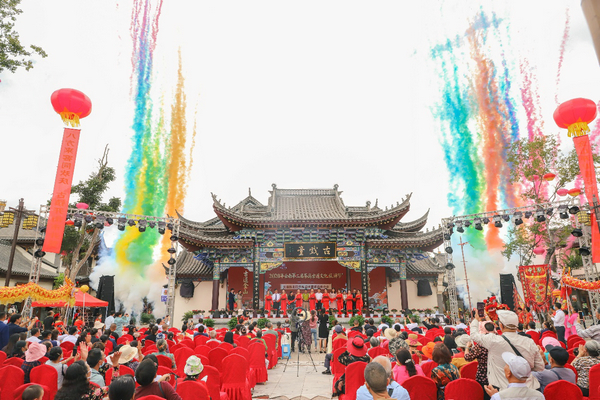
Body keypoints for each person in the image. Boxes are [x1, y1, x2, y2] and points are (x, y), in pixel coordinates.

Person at [469, 310, 544, 390]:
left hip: (503, 391)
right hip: (529, 389)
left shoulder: (493, 340)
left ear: (501, 325)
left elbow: (474, 335)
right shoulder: (529, 342)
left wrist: (476, 319)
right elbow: (540, 367)